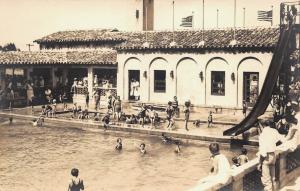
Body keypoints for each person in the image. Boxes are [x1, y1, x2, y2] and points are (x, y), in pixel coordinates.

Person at [257, 120, 285, 191]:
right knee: (273, 179)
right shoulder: (274, 131)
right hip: (273, 156)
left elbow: (263, 152)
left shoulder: (262, 135)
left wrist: (260, 163)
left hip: (266, 158)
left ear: (262, 126)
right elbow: (283, 140)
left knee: (267, 181)